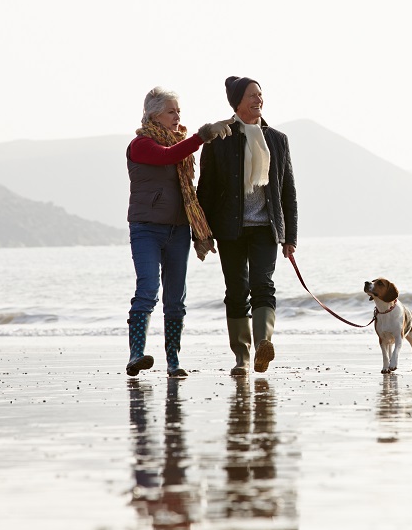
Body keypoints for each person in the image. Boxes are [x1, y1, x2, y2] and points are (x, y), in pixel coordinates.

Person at [126, 87, 231, 378]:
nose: (177, 116)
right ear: (153, 114)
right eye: (171, 111)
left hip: (179, 229)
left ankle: (173, 361)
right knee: (147, 291)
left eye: (179, 111)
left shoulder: (181, 144)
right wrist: (203, 135)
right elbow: (168, 156)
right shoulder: (141, 144)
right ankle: (136, 355)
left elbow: (186, 176)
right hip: (146, 228)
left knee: (176, 299)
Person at [197, 76, 298, 376]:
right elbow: (206, 189)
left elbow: (287, 190)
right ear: (237, 102)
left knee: (263, 286)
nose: (259, 100)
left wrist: (289, 236)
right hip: (230, 228)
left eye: (261, 94)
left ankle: (262, 344)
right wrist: (201, 233)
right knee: (237, 291)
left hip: (265, 227)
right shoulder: (220, 139)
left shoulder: (278, 140)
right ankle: (242, 356)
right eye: (252, 95)